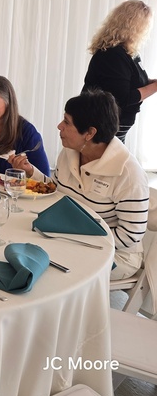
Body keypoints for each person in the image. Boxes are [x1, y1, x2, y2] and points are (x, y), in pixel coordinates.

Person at [16, 90, 149, 281]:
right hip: (70, 238)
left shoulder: (127, 173)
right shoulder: (69, 153)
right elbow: (57, 191)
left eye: (67, 122)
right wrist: (31, 172)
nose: (59, 126)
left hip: (116, 254)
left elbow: (130, 235)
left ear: (90, 133)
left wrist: (75, 241)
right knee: (22, 247)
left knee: (48, 273)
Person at [83, 0, 157, 142]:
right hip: (102, 125)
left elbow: (131, 82)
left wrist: (151, 82)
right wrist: (155, 87)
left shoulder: (129, 52)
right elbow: (122, 97)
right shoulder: (113, 54)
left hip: (116, 126)